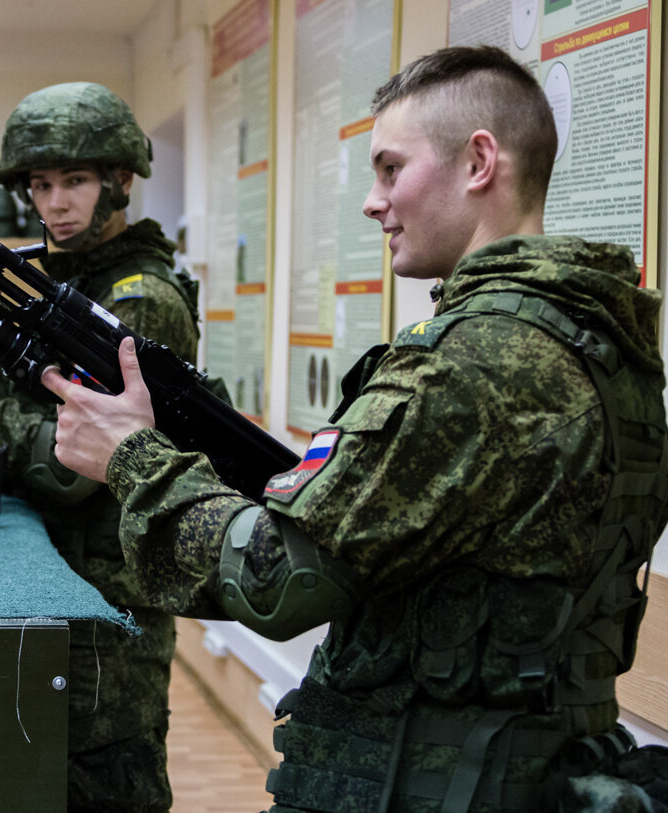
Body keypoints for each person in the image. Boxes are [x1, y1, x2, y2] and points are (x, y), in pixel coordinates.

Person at [43, 46, 668, 811]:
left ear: (479, 162)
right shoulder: (608, 346)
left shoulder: (467, 365)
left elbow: (276, 582)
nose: (373, 202)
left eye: (389, 169)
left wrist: (132, 457)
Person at [0, 82, 202, 812]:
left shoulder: (137, 299)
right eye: (41, 184)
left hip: (106, 611)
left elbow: (71, 469)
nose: (55, 203)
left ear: (121, 180)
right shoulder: (61, 281)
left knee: (104, 787)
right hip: (52, 582)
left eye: (76, 181)